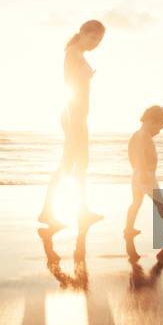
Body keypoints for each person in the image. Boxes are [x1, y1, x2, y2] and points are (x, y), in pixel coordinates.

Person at [38, 20, 105, 231]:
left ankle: (82, 211)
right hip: (73, 114)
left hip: (78, 115)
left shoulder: (78, 54)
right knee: (68, 165)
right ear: (82, 33)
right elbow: (70, 82)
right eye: (93, 37)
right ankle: (47, 212)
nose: (96, 43)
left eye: (99, 40)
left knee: (81, 163)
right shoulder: (73, 52)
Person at [125, 105, 163, 237]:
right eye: (159, 127)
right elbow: (140, 155)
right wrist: (143, 174)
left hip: (137, 174)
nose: (159, 132)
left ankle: (128, 228)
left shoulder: (136, 135)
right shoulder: (144, 136)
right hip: (145, 175)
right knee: (160, 202)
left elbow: (131, 155)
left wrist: (136, 172)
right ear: (151, 121)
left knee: (136, 203)